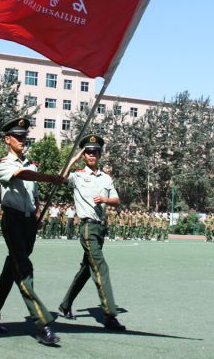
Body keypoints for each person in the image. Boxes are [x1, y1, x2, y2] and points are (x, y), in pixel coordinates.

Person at [0, 116, 65, 346]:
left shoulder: (32, 164)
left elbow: (34, 194)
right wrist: (50, 178)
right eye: (17, 136)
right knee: (24, 269)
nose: (21, 140)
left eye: (24, 137)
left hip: (29, 223)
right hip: (13, 221)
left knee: (11, 270)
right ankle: (42, 324)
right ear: (7, 139)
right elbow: (21, 175)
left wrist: (37, 215)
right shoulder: (3, 163)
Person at [58, 134, 126, 331]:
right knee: (100, 267)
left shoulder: (106, 178)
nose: (91, 155)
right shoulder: (78, 175)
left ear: (100, 154)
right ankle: (110, 315)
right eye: (87, 152)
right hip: (87, 227)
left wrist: (104, 200)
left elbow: (116, 200)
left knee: (87, 270)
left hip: (101, 227)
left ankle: (65, 304)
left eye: (95, 152)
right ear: (83, 155)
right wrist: (72, 160)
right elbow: (59, 178)